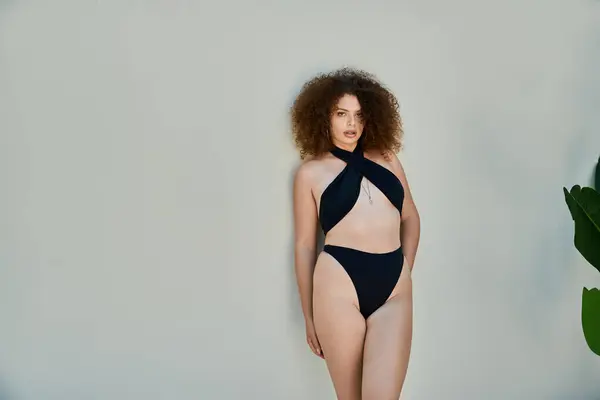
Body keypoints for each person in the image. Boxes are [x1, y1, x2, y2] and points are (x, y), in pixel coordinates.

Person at [291, 67, 421, 399]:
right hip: (339, 285)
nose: (352, 124)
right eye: (341, 114)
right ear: (324, 118)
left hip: (393, 286)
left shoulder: (389, 159)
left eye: (359, 115)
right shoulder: (310, 173)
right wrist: (308, 316)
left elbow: (411, 218)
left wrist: (405, 269)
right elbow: (306, 245)